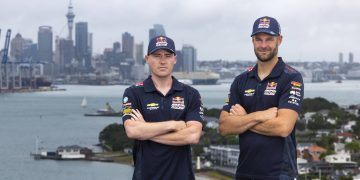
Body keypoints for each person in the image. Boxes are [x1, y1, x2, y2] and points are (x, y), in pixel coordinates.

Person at [219, 16, 304, 179]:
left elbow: (283, 128)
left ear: (279, 40)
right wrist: (259, 116)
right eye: (258, 39)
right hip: (245, 172)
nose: (263, 45)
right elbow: (224, 127)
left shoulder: (291, 78)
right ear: (252, 41)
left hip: (279, 173)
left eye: (269, 39)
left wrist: (243, 119)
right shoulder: (241, 80)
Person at [122, 35, 204, 180]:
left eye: (167, 55)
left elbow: (192, 136)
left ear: (175, 59)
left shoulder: (191, 94)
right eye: (157, 55)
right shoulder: (133, 93)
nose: (162, 61)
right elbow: (132, 130)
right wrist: (173, 125)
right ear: (147, 59)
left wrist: (146, 130)